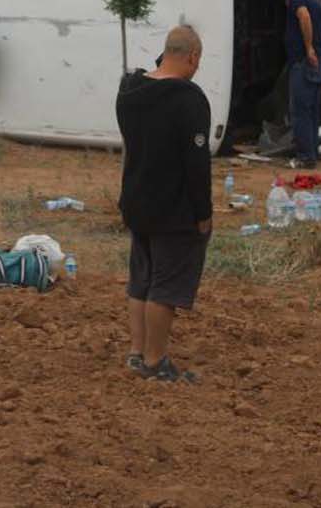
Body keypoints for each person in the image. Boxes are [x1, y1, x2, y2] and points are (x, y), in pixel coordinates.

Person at [116, 25, 211, 383]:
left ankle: (137, 353)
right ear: (192, 57)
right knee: (165, 286)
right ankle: (157, 362)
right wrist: (203, 214)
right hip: (174, 211)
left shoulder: (129, 91)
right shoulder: (188, 100)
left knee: (141, 279)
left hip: (137, 202)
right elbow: (196, 164)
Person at [283, 0, 321, 169]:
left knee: (300, 111)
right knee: (312, 112)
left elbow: (303, 16)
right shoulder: (317, 6)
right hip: (319, 64)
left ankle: (305, 157)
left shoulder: (297, 0)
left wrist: (308, 48)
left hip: (304, 63)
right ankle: (312, 154)